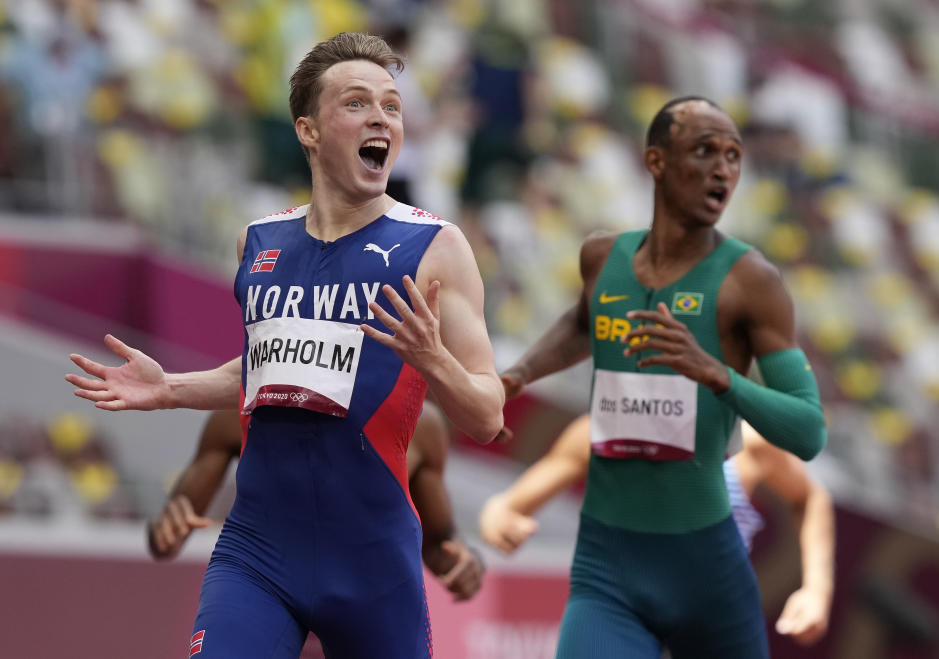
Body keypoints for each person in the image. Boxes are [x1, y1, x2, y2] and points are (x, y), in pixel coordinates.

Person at [65, 32, 504, 659]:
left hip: (373, 564)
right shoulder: (259, 242)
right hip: (257, 552)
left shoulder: (436, 247)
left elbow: (488, 416)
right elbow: (268, 369)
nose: (381, 116)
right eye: (356, 103)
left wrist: (432, 358)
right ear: (308, 130)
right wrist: (169, 390)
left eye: (392, 106)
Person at [497, 96, 826, 658]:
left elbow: (808, 431)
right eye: (704, 151)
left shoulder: (752, 282)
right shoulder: (602, 257)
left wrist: (717, 374)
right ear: (656, 161)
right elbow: (583, 322)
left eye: (733, 156)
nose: (723, 168)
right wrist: (520, 373)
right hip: (607, 567)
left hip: (707, 575)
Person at [480, 415, 834, 647]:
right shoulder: (599, 433)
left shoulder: (749, 443)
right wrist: (498, 521)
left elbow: (810, 497)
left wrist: (816, 588)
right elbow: (505, 507)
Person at [148, 401, 485, 602]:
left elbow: (441, 545)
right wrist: (164, 530)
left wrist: (467, 563)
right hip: (269, 600)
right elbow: (168, 530)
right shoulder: (240, 407)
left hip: (365, 612)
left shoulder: (420, 424)